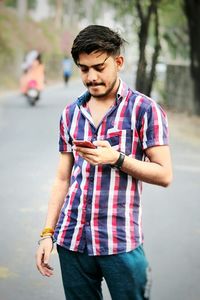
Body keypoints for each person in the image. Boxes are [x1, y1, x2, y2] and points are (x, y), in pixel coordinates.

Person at [36, 25, 173, 300]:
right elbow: (63, 178)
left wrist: (117, 159)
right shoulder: (70, 114)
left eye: (99, 67)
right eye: (84, 69)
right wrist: (47, 233)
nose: (92, 77)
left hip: (120, 242)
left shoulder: (144, 109)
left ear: (118, 62)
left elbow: (164, 174)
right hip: (71, 240)